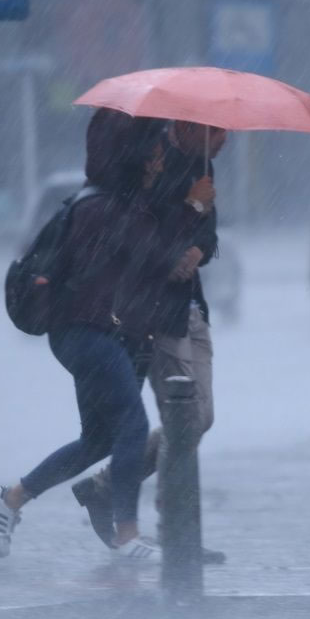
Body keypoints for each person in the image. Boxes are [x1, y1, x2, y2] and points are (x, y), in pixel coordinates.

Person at [0, 109, 204, 561]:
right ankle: (127, 536)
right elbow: (135, 266)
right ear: (139, 158)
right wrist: (176, 247)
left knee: (100, 439)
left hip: (97, 334)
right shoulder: (103, 208)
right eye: (157, 151)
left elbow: (148, 262)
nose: (162, 160)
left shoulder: (119, 205)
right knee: (134, 425)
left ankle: (10, 499)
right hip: (85, 333)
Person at [69, 121, 225, 562]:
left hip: (192, 308)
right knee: (182, 417)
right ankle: (177, 532)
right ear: (191, 128)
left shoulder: (203, 164)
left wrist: (201, 247)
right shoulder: (148, 169)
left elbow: (206, 234)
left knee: (201, 417)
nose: (227, 139)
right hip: (160, 313)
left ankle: (101, 488)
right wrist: (191, 210)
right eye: (218, 130)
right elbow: (146, 238)